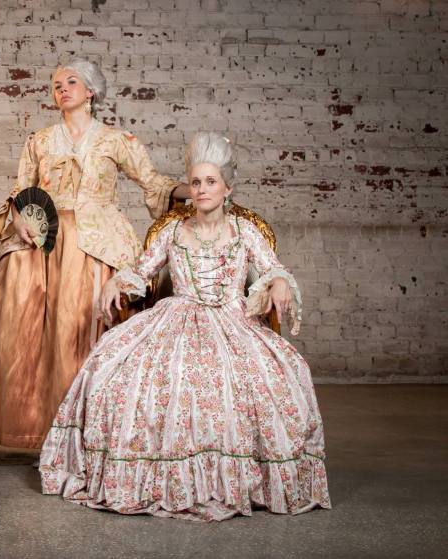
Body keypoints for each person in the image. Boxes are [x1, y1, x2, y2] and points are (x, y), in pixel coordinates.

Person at [39, 132, 331, 521]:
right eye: (196, 182)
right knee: (118, 369)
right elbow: (142, 270)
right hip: (177, 317)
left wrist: (278, 282)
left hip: (232, 320)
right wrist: (115, 282)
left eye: (211, 181)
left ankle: (230, 478)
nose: (202, 189)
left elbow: (274, 267)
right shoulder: (173, 231)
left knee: (274, 376)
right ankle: (149, 476)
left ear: (227, 188)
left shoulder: (245, 231)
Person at [0, 58, 188, 448]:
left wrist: (194, 190)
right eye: (56, 84)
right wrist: (18, 218)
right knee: (26, 318)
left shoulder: (116, 139)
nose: (62, 89)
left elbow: (152, 182)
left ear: (91, 91)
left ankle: (87, 432)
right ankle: (34, 428)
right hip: (43, 240)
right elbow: (19, 191)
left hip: (94, 240)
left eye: (71, 82)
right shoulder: (39, 141)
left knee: (79, 328)